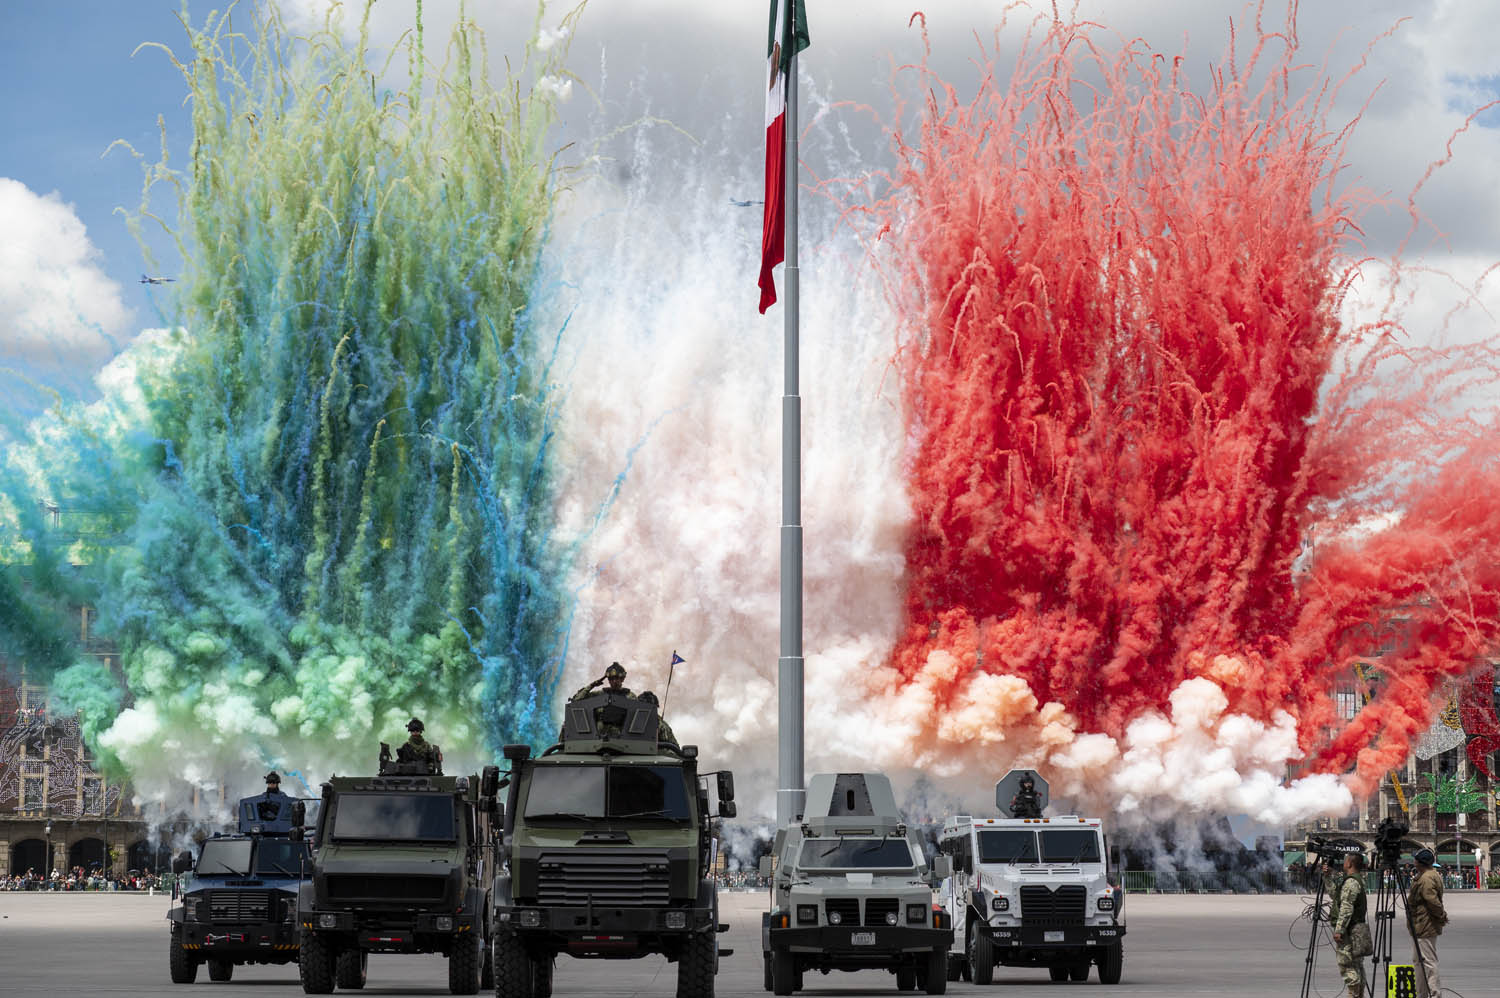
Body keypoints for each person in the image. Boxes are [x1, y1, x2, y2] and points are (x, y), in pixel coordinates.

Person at [1407, 848, 1447, 998]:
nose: (1413, 862)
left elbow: (1432, 901)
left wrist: (1441, 916)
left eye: (1415, 859)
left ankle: (1434, 994)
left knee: (1429, 963)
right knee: (1419, 962)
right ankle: (1422, 994)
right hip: (1420, 925)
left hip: (1425, 925)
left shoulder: (1426, 878)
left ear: (1420, 862)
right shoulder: (1426, 875)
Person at [1330, 852, 1370, 998]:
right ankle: (1359, 994)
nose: (1343, 863)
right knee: (1357, 965)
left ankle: (1354, 994)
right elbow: (1336, 896)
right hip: (1357, 930)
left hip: (1350, 931)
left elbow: (1346, 908)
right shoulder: (1355, 880)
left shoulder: (1351, 882)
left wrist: (1339, 929)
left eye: (1345, 861)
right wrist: (1328, 877)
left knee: (1347, 964)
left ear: (1350, 863)